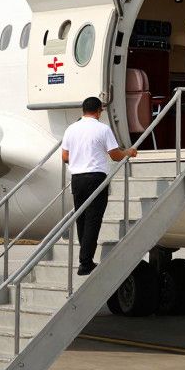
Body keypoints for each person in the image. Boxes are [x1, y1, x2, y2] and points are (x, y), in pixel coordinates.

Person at [61, 96, 137, 275]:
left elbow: (64, 157)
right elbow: (115, 155)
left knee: (82, 219)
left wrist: (80, 159)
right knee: (93, 221)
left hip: (77, 178)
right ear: (99, 111)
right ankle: (85, 263)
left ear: (83, 110)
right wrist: (129, 152)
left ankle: (84, 258)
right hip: (95, 177)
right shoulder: (103, 129)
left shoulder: (71, 129)